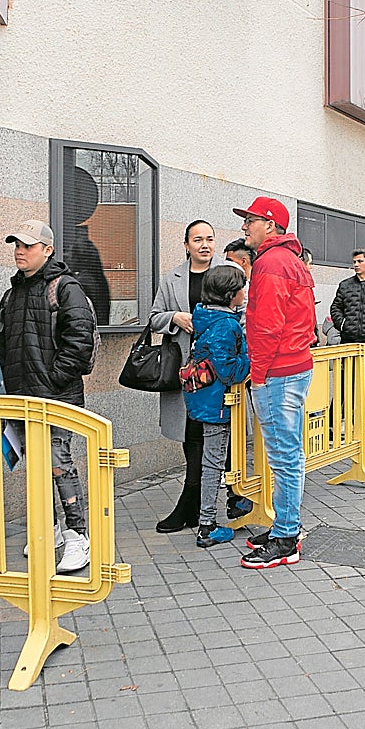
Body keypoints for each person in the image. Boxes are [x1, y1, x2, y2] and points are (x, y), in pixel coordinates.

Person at [0, 219, 98, 573]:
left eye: (28, 245)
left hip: (57, 398)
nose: (20, 251)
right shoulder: (12, 294)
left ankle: (78, 536)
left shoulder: (65, 288)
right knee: (36, 467)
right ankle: (49, 529)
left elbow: (79, 344)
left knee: (59, 464)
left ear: (48, 250)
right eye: (17, 245)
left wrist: (51, 381)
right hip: (22, 398)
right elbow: (1, 344)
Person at [233, 196, 316, 569]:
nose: (244, 226)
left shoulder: (270, 263)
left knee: (284, 456)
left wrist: (259, 375)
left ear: (270, 225)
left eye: (250, 220)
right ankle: (286, 527)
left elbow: (267, 326)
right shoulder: (290, 260)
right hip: (292, 367)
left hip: (278, 372)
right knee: (289, 455)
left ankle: (285, 538)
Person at [150, 220, 225, 533]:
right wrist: (175, 318)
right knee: (192, 436)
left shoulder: (228, 272)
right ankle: (192, 505)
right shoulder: (172, 279)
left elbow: (245, 314)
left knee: (215, 439)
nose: (204, 245)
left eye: (209, 239)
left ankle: (198, 505)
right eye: (197, 240)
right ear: (186, 245)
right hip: (186, 372)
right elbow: (154, 318)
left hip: (218, 373)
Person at [182, 266, 251, 548]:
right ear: (230, 294)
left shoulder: (204, 315)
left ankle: (216, 515)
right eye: (241, 288)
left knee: (211, 461)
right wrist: (250, 359)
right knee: (213, 464)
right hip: (217, 403)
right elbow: (230, 371)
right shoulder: (226, 325)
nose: (245, 293)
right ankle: (207, 526)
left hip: (202, 397)